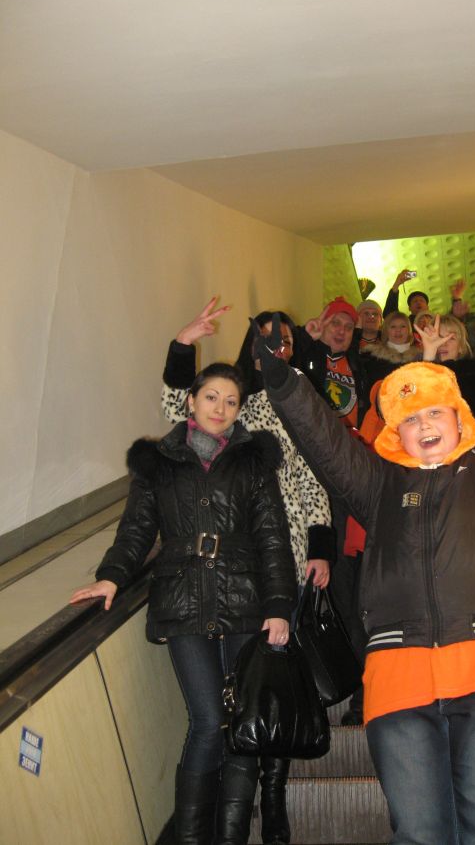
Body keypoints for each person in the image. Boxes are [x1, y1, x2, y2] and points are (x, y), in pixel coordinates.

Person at [254, 257, 475, 844]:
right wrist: (281, 377)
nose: (424, 426)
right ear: (394, 431)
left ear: (459, 417)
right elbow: (324, 440)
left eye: (434, 413)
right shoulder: (378, 484)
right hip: (398, 680)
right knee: (420, 835)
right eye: (410, 418)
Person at [70, 362, 297, 845]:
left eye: (231, 401)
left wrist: (279, 605)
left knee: (239, 723)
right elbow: (136, 528)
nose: (220, 408)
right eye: (211, 397)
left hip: (243, 599)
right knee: (208, 721)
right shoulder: (160, 462)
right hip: (182, 601)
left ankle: (232, 836)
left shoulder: (252, 462)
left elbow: (273, 538)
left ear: (239, 411)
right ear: (191, 401)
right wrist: (111, 577)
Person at [161, 302, 336, 845]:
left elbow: (313, 479)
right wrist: (182, 346)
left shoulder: (302, 402)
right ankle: (234, 815)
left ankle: (274, 796)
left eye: (281, 341)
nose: (272, 349)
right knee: (232, 700)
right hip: (238, 566)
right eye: (262, 340)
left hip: (288, 561)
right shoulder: (236, 402)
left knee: (273, 685)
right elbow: (176, 406)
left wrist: (321, 546)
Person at [297, 296, 369, 428]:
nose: (342, 331)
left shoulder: (358, 366)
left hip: (349, 438)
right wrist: (304, 336)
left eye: (349, 327)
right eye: (335, 323)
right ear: (323, 325)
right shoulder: (303, 354)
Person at [415, 314, 475, 419]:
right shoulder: (412, 375)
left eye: (451, 338)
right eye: (439, 338)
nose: (443, 343)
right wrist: (429, 356)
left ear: (461, 347)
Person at [360, 311, 420, 387]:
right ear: (386, 331)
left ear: (409, 331)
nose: (398, 330)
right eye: (393, 327)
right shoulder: (371, 357)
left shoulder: (420, 358)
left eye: (403, 326)